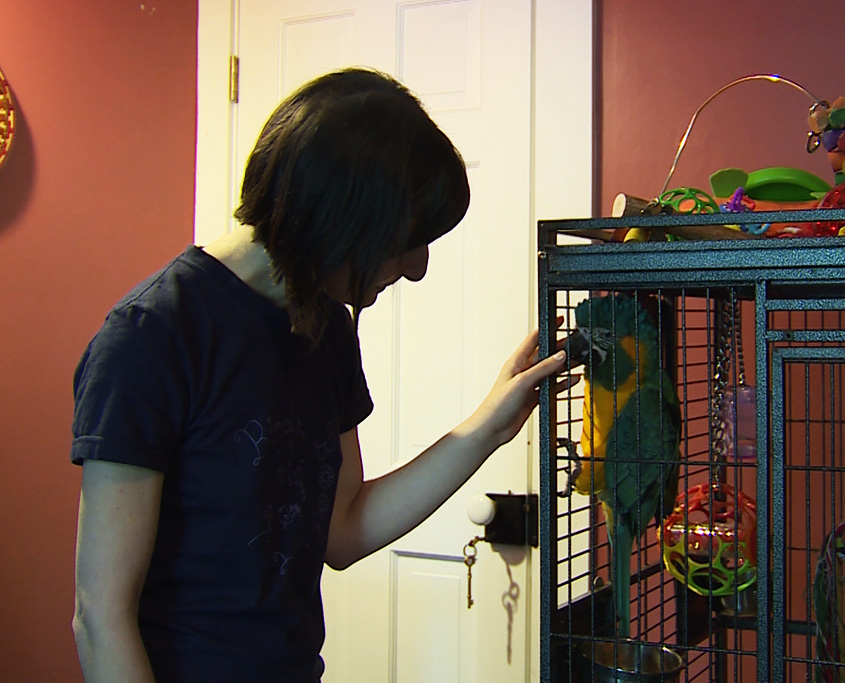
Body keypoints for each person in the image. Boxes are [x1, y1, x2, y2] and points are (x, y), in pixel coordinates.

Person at [70, 68, 568, 683]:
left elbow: (344, 528)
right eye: (408, 241)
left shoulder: (324, 329)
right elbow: (100, 616)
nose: (416, 269)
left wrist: (491, 423)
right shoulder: (151, 338)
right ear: (342, 220)